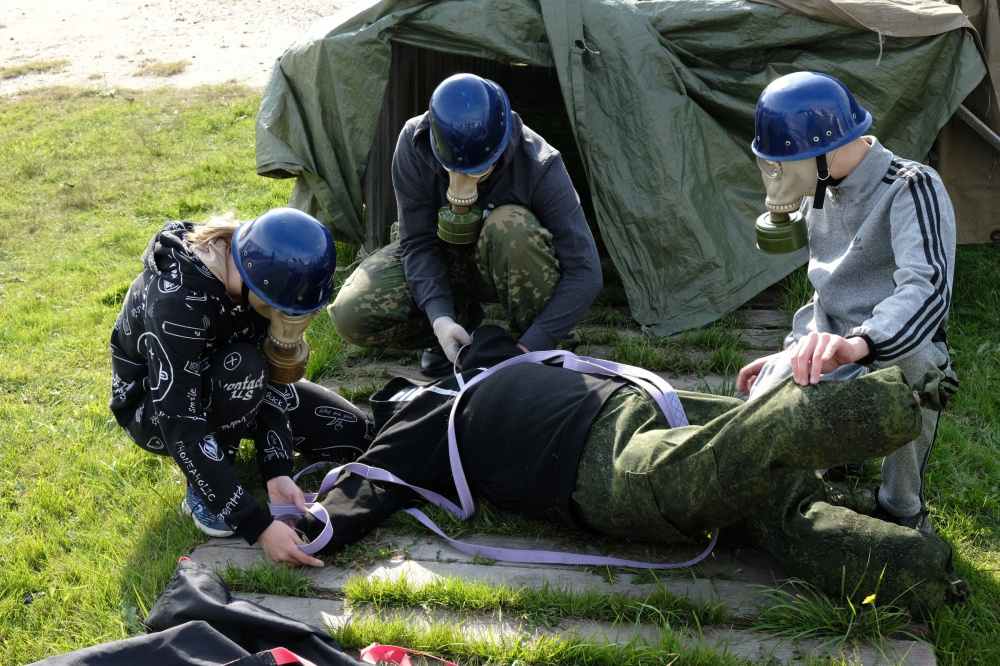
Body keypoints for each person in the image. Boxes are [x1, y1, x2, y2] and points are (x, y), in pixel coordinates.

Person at [292, 327, 966, 615]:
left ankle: (880, 401)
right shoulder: (409, 441)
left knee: (744, 465)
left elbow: (510, 337)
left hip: (636, 412)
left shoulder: (472, 368)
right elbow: (353, 500)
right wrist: (285, 525)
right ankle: (924, 570)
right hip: (598, 457)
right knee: (765, 503)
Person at [737, 71, 958, 535]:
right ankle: (814, 481)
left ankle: (902, 506)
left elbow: (927, 288)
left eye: (783, 163)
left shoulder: (911, 187)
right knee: (759, 409)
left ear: (824, 148)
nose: (775, 175)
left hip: (890, 340)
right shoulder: (819, 189)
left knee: (917, 367)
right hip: (825, 333)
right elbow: (826, 293)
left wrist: (862, 344)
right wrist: (788, 355)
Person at [109, 208, 374, 567]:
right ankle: (204, 490)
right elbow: (180, 423)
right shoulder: (176, 300)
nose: (292, 321)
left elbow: (273, 379)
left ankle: (234, 455)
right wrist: (259, 525)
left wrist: (277, 470)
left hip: (236, 382)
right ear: (263, 285)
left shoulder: (260, 274)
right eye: (285, 311)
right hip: (156, 409)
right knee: (246, 366)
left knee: (355, 434)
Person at [329, 73, 603, 376]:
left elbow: (586, 271)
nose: (461, 181)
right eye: (451, 168)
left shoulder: (539, 164)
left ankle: (540, 350)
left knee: (510, 225)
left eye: (477, 170)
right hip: (443, 259)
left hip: (509, 264)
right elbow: (418, 242)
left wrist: (532, 344)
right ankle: (457, 328)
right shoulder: (414, 142)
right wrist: (440, 320)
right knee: (350, 316)